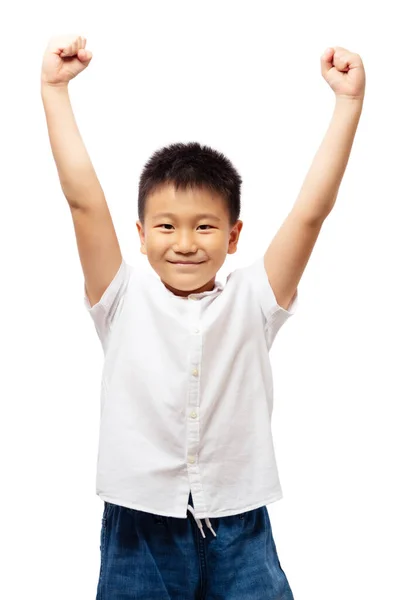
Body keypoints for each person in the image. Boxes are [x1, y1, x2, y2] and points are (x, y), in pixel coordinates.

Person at [41, 34, 365, 600]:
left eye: (206, 226)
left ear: (234, 235)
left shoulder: (254, 300)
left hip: (239, 523)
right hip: (139, 527)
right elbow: (83, 201)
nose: (185, 242)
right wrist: (54, 90)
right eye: (166, 226)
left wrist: (348, 105)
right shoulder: (120, 299)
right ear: (140, 237)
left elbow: (311, 212)